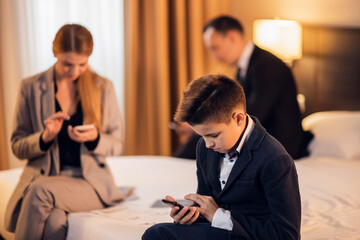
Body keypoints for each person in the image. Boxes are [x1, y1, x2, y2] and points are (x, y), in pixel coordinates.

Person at [142, 75, 301, 240]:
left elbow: (287, 235)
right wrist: (189, 216)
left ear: (238, 119)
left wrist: (218, 216)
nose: (207, 144)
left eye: (213, 135)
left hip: (248, 236)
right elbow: (206, 202)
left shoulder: (275, 160)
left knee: (157, 234)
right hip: (217, 229)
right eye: (201, 136)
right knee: (157, 233)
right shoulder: (205, 149)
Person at [5, 24, 124, 240]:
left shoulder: (103, 87)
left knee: (39, 191)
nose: (74, 72)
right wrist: (44, 138)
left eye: (82, 65)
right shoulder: (30, 87)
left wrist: (95, 139)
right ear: (54, 52)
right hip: (48, 178)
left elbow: (116, 144)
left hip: (88, 183)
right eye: (67, 64)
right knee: (55, 223)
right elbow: (17, 146)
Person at [202, 16, 313, 159]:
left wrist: (206, 129)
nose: (214, 57)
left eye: (215, 48)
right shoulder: (246, 67)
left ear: (232, 37)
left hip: (280, 150)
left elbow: (248, 117)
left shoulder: (269, 67)